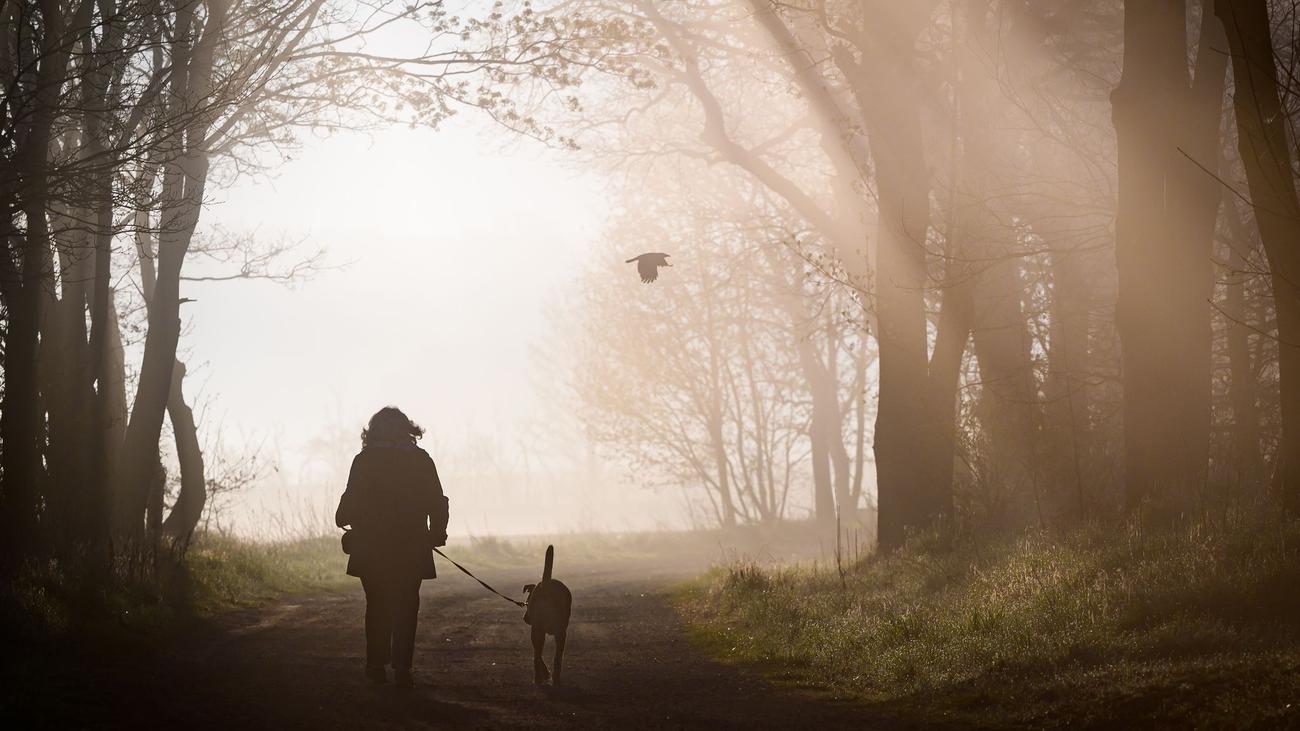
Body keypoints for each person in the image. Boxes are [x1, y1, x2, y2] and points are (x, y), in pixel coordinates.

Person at [336, 407, 449, 688]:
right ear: (408, 430)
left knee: (376, 605)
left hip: (371, 549)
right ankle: (402, 668)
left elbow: (348, 506)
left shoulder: (363, 461)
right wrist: (437, 533)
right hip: (411, 548)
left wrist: (343, 517)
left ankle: (376, 665)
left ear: (372, 432)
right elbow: (437, 501)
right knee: (407, 606)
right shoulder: (421, 460)